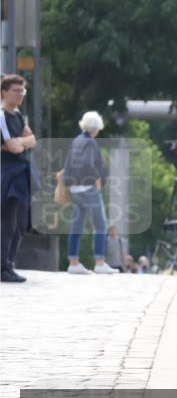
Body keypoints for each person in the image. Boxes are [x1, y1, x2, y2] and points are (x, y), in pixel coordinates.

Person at [64, 111, 115, 275]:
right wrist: (97, 178)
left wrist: (68, 183)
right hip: (88, 188)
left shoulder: (77, 141)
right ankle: (100, 262)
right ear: (96, 128)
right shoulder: (90, 142)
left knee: (76, 225)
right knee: (101, 225)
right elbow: (88, 163)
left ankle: (73, 262)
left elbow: (68, 163)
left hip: (75, 188)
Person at [1, 74, 36, 283]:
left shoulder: (19, 115)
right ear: (4, 92)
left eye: (23, 91)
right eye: (16, 90)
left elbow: (33, 140)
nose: (21, 94)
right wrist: (21, 143)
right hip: (8, 173)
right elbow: (13, 148)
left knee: (22, 222)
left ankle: (9, 263)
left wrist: (20, 142)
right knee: (8, 221)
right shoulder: (2, 116)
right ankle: (3, 267)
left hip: (21, 172)